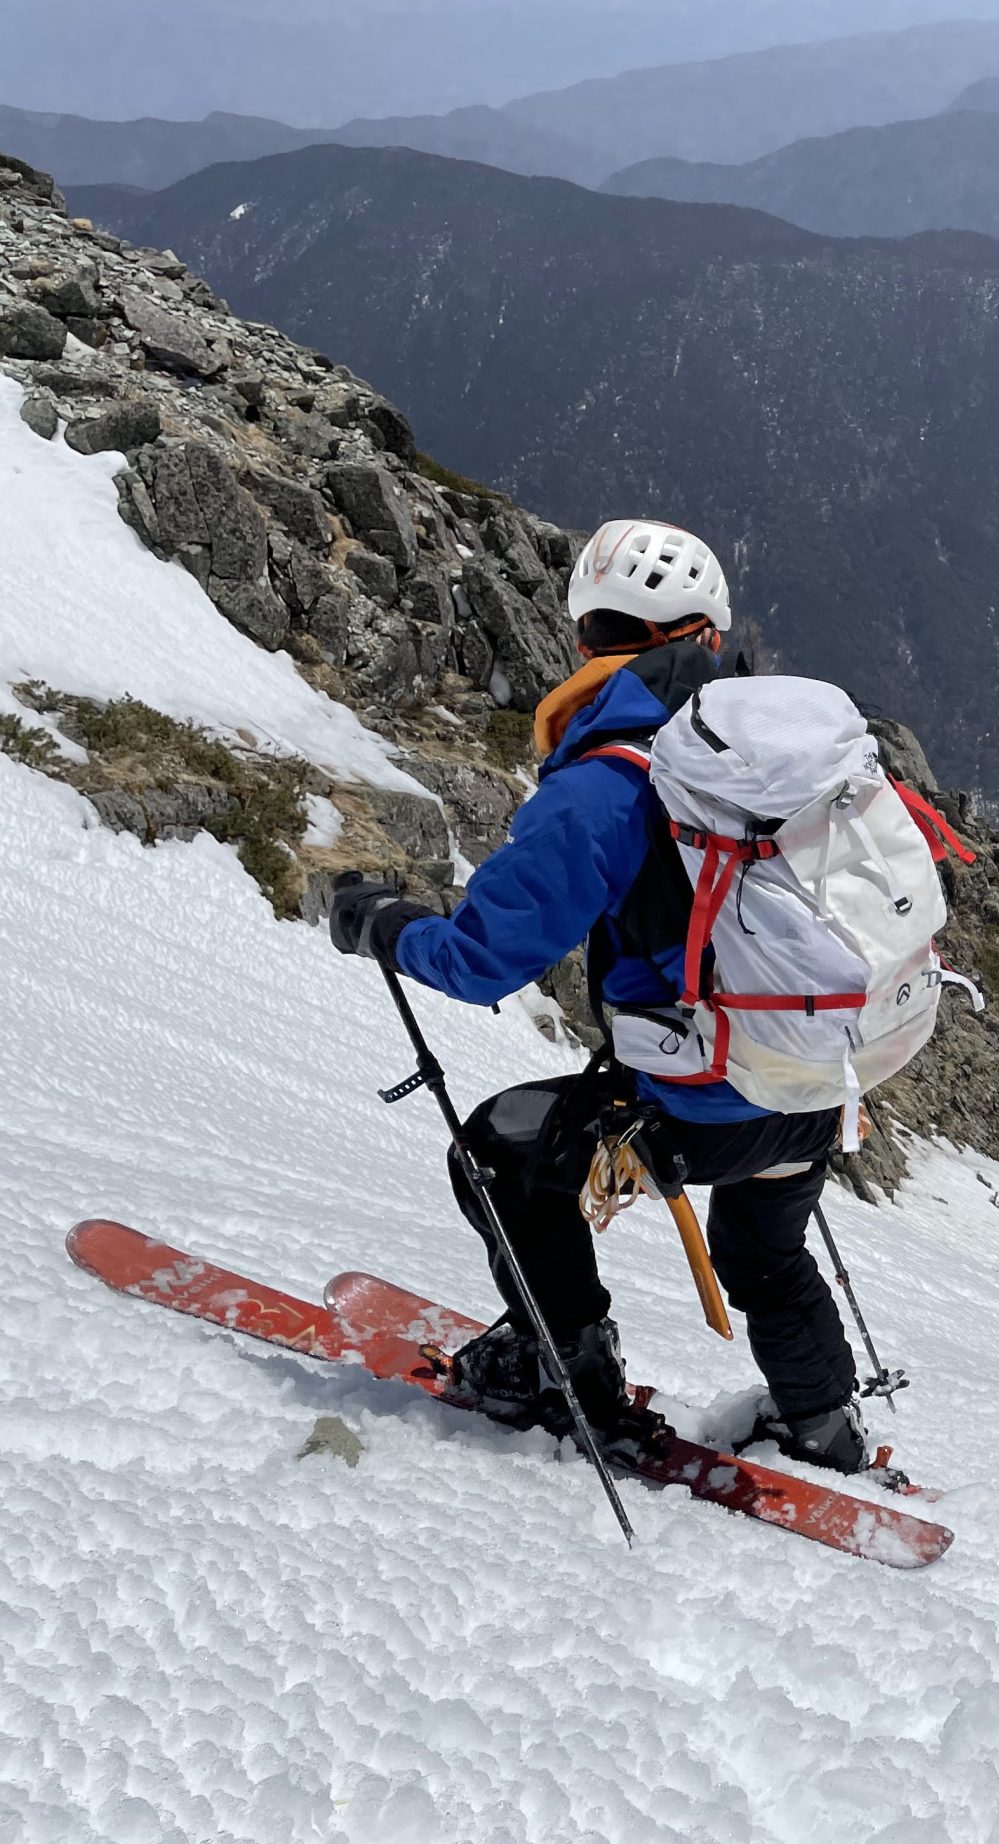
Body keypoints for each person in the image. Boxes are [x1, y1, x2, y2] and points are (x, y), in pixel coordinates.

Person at [328, 519, 875, 1475]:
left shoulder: (609, 785)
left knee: (498, 1154)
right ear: (711, 640)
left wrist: (380, 923)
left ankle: (567, 1383)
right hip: (819, 1084)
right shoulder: (790, 769)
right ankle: (821, 1425)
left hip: (699, 1101)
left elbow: (482, 960)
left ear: (588, 643)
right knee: (763, 1254)